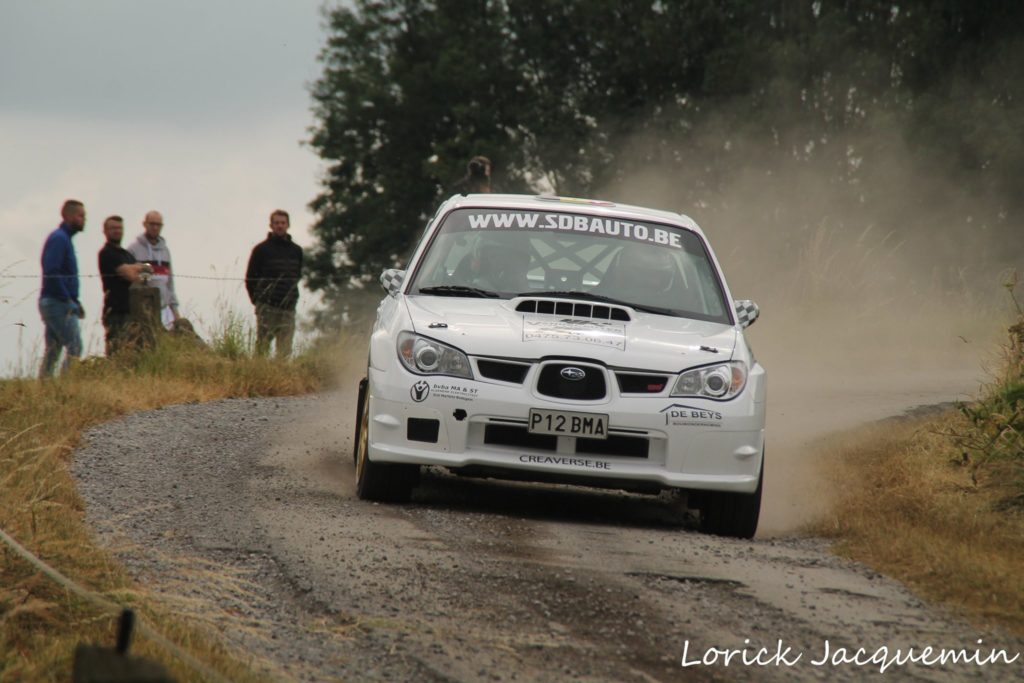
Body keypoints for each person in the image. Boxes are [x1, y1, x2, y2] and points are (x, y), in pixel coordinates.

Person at [245, 209, 303, 358]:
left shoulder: (297, 251)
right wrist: (258, 301)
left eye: (283, 223)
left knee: (284, 351)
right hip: (267, 307)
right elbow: (250, 278)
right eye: (276, 223)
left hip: (288, 308)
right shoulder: (260, 250)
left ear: (288, 225)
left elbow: (298, 276)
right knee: (262, 347)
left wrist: (292, 299)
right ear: (271, 225)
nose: (280, 226)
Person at [39, 199, 86, 378]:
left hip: (56, 301)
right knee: (75, 346)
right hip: (57, 302)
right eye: (80, 215)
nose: (83, 220)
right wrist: (67, 299)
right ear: (68, 216)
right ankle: (66, 387)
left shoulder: (65, 239)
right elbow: (51, 270)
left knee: (53, 350)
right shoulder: (59, 238)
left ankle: (46, 387)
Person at [98, 215, 152, 354]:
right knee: (116, 353)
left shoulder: (126, 254)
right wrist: (139, 268)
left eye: (119, 228)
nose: (117, 231)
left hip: (132, 311)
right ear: (105, 231)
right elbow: (131, 275)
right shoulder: (106, 253)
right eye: (113, 228)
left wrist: (136, 269)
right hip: (115, 312)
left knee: (134, 352)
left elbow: (146, 275)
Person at [127, 210, 179, 329]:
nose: (155, 228)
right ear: (145, 224)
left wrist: (175, 312)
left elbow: (170, 284)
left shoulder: (165, 251)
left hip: (164, 309)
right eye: (152, 224)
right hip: (144, 309)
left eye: (158, 225)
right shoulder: (133, 249)